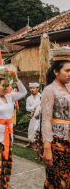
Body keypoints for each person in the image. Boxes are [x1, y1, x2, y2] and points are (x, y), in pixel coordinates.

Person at [0, 75, 27, 189]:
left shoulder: (9, 97)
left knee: (6, 163)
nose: (5, 87)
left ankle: (4, 185)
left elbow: (23, 92)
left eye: (7, 85)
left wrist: (17, 79)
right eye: (3, 85)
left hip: (8, 135)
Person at [41, 50, 70, 189]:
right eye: (67, 70)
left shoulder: (69, 88)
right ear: (56, 72)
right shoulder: (49, 90)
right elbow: (46, 119)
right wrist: (47, 147)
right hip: (57, 142)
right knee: (58, 181)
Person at [26, 82, 41, 148]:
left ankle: (37, 144)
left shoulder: (41, 96)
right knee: (31, 129)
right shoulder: (28, 98)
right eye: (31, 88)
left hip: (40, 117)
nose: (32, 89)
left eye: (33, 88)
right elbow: (27, 108)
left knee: (38, 130)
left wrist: (37, 108)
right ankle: (30, 142)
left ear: (38, 88)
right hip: (32, 117)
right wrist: (35, 107)